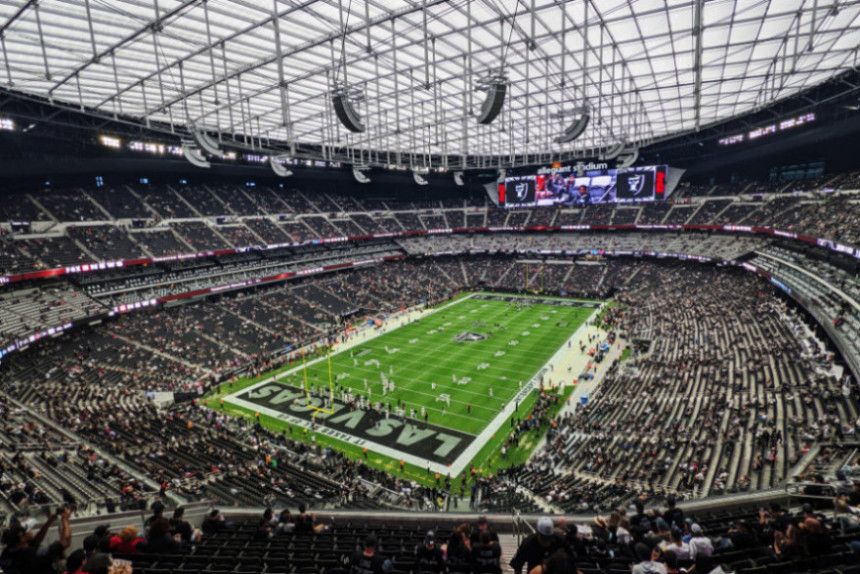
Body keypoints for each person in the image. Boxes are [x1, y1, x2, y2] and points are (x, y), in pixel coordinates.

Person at [0, 508, 71, 574]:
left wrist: (49, 522)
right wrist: (65, 520)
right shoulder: (33, 554)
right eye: (27, 530)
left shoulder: (7, 554)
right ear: (22, 539)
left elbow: (35, 541)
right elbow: (65, 543)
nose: (30, 531)